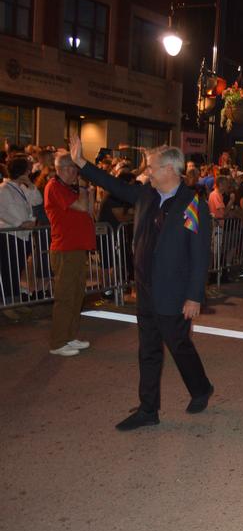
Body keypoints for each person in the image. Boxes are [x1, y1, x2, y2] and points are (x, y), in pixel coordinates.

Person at [70, 137, 215, 431]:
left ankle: (201, 388)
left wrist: (194, 296)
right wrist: (82, 163)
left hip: (174, 293)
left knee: (179, 345)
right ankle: (149, 410)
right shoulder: (147, 194)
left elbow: (200, 255)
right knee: (148, 349)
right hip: (146, 288)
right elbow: (115, 186)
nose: (147, 172)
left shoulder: (193, 205)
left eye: (152, 168)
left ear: (171, 170)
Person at [44, 153, 96, 356]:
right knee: (65, 297)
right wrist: (83, 188)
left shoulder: (68, 188)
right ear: (64, 168)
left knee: (76, 296)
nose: (76, 173)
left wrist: (88, 193)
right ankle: (57, 342)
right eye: (74, 168)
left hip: (76, 248)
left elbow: (90, 211)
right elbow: (81, 207)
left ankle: (69, 336)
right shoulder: (54, 186)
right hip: (64, 249)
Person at [0, 157, 37, 307]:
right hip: (10, 235)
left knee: (17, 269)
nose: (30, 173)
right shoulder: (3, 189)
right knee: (9, 270)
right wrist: (19, 224)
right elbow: (1, 211)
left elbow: (37, 201)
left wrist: (31, 186)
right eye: (28, 170)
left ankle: (15, 301)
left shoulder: (23, 188)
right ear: (22, 171)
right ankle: (7, 302)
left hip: (23, 235)